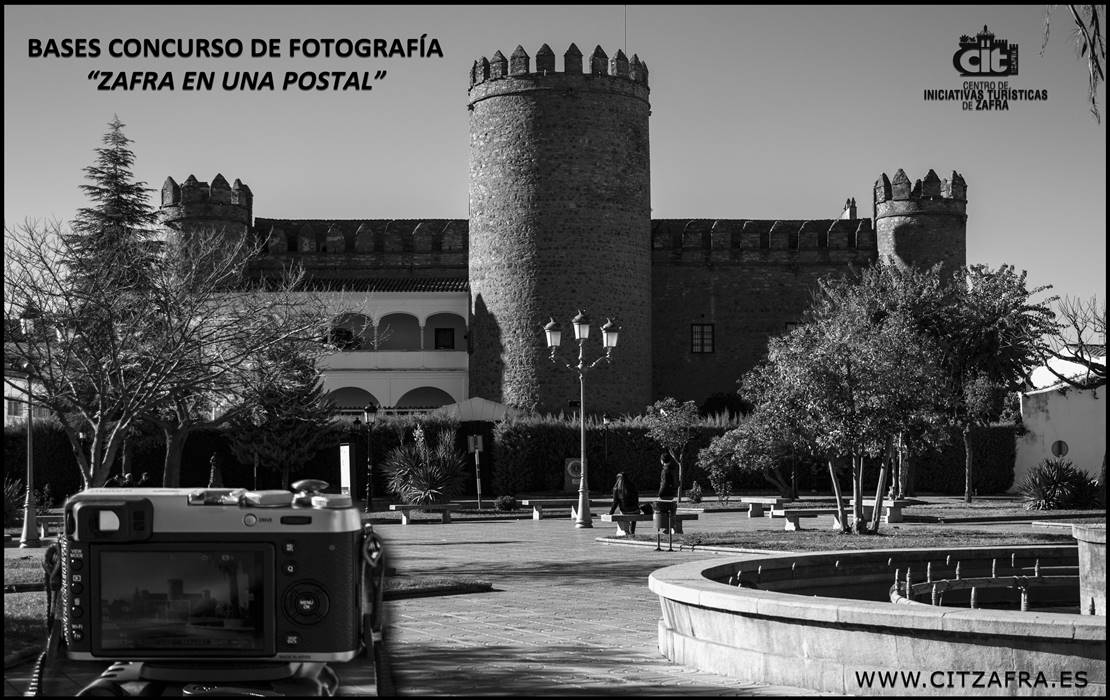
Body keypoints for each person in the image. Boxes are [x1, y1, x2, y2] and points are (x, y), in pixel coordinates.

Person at [655, 452, 679, 527]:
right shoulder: (673, 469)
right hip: (672, 493)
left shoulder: (665, 470)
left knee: (660, 509)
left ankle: (665, 527)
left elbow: (664, 483)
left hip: (665, 493)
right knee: (669, 509)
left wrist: (660, 494)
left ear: (662, 460)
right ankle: (670, 526)